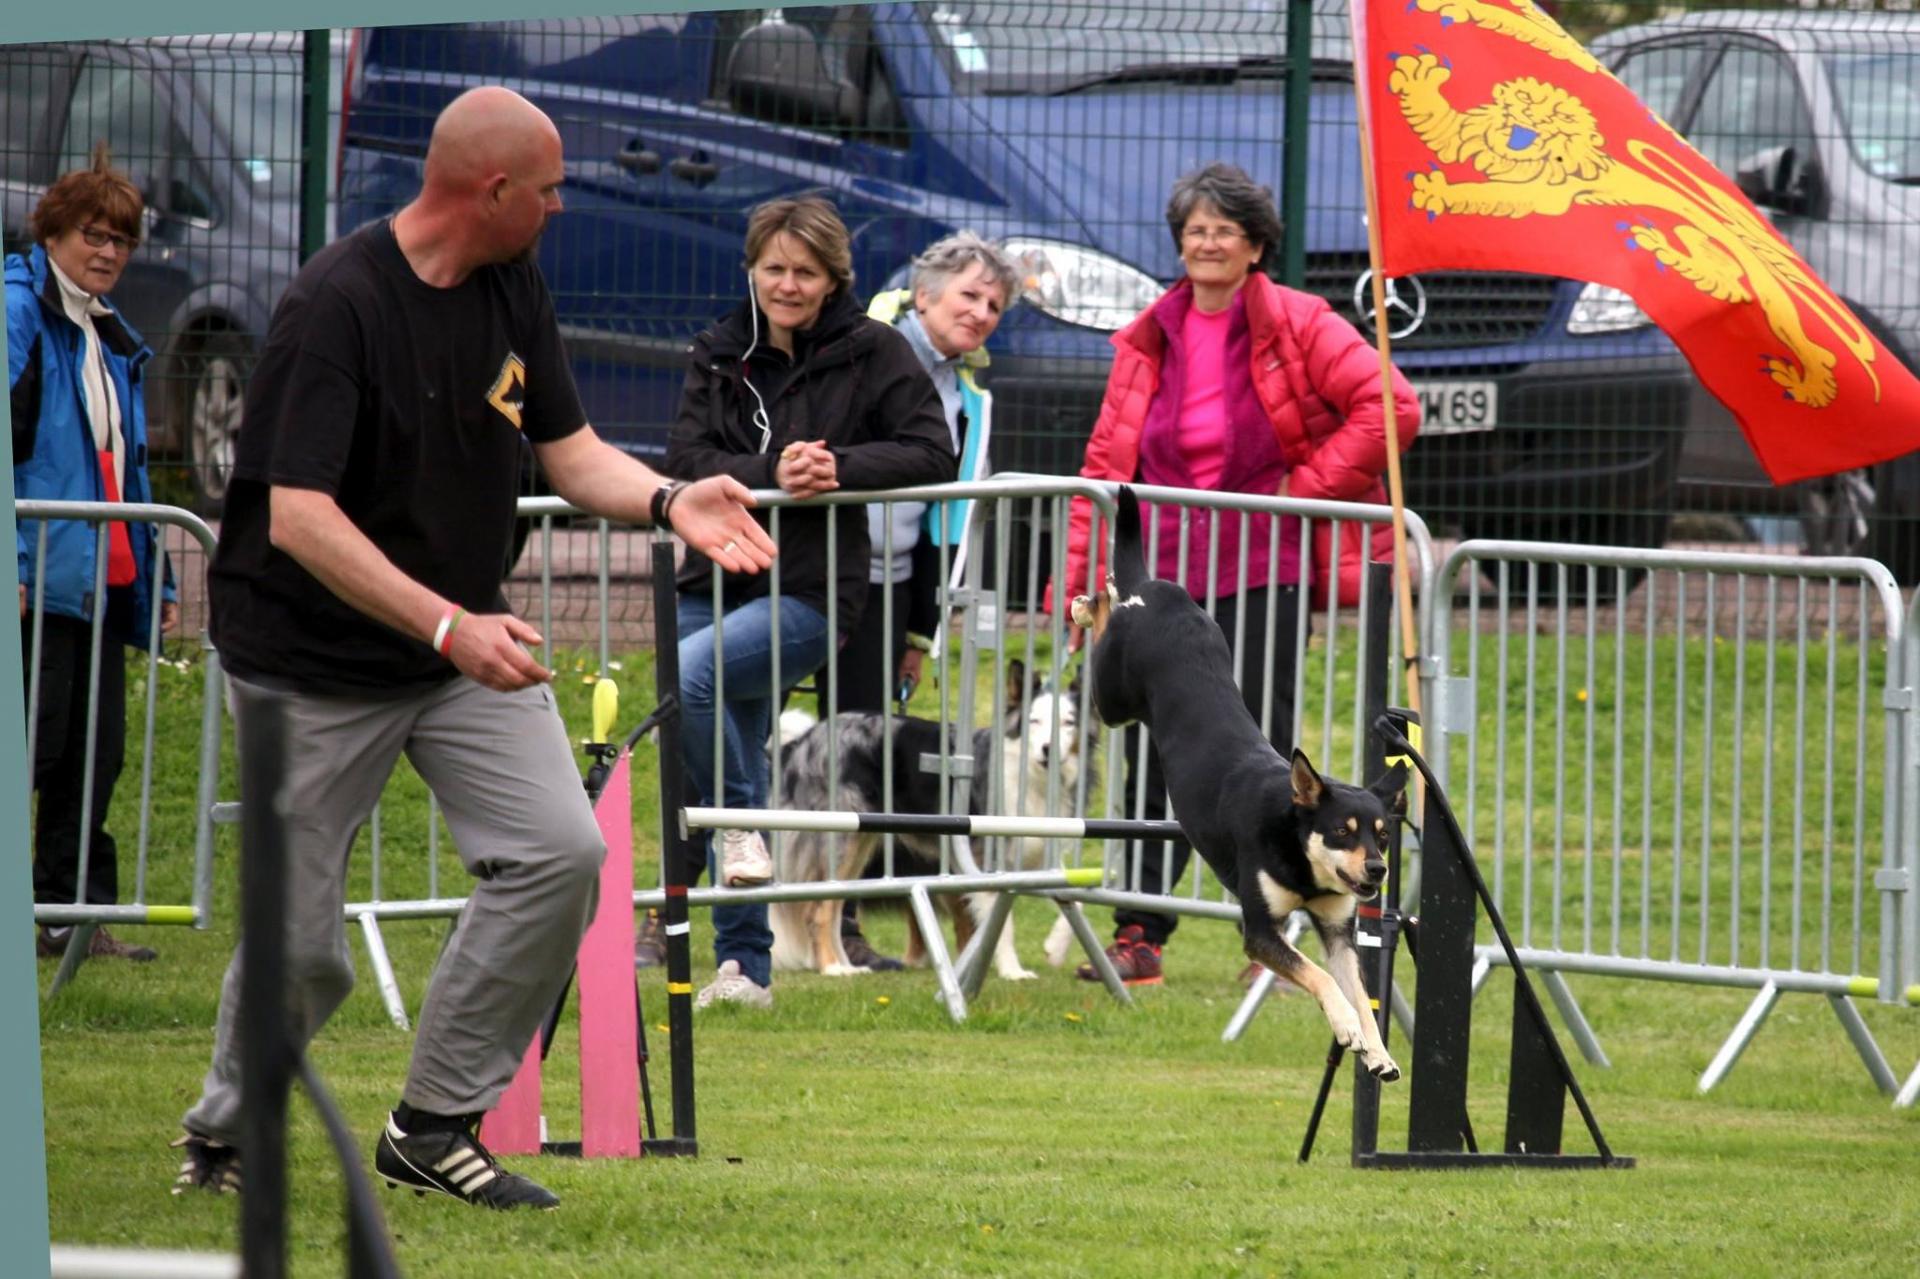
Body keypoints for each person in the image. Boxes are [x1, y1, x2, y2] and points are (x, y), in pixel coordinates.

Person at [170, 87, 775, 1211]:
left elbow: (573, 451)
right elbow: (299, 518)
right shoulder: (333, 306)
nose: (560, 204)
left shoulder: (511, 285)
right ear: (490, 190)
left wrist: (673, 499)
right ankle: (227, 1129)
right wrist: (448, 622)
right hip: (305, 663)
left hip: (461, 648)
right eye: (546, 188)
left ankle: (433, 1123)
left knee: (560, 853)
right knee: (302, 948)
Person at [1054, 162, 1419, 986]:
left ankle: (1275, 929)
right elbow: (1106, 463)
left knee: (1257, 760)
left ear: (1257, 246)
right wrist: (1080, 577)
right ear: (1179, 243)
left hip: (1261, 569)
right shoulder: (1148, 333)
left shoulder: (1301, 321)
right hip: (1160, 585)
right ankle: (1138, 933)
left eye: (1225, 229)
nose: (1208, 242)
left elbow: (1391, 405)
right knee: (1156, 760)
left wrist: (1303, 491)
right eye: (1194, 229)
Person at [666, 195, 956, 1009]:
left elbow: (934, 448)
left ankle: (739, 829)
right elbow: (684, 455)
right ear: (752, 269)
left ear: (835, 279)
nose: (787, 285)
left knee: (692, 676)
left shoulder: (875, 350)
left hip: (813, 588)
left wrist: (839, 470)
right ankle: (745, 968)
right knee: (731, 750)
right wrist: (768, 476)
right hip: (711, 575)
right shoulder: (718, 349)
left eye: (805, 272)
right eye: (774, 270)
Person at [829, 231, 1020, 970]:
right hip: (814, 568)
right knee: (760, 741)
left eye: (995, 305)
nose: (980, 312)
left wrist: (921, 632)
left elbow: (950, 523)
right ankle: (684, 914)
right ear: (925, 288)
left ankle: (847, 922)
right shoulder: (863, 342)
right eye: (969, 294)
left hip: (893, 583)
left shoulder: (967, 395)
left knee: (867, 756)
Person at [9, 144, 178, 964]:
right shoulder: (16, 312)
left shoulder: (111, 336)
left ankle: (71, 918)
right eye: (93, 234)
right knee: (32, 749)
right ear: (51, 232)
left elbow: (127, 468)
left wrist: (160, 573)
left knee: (94, 756)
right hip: (35, 578)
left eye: (122, 239)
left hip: (102, 581)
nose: (108, 250)